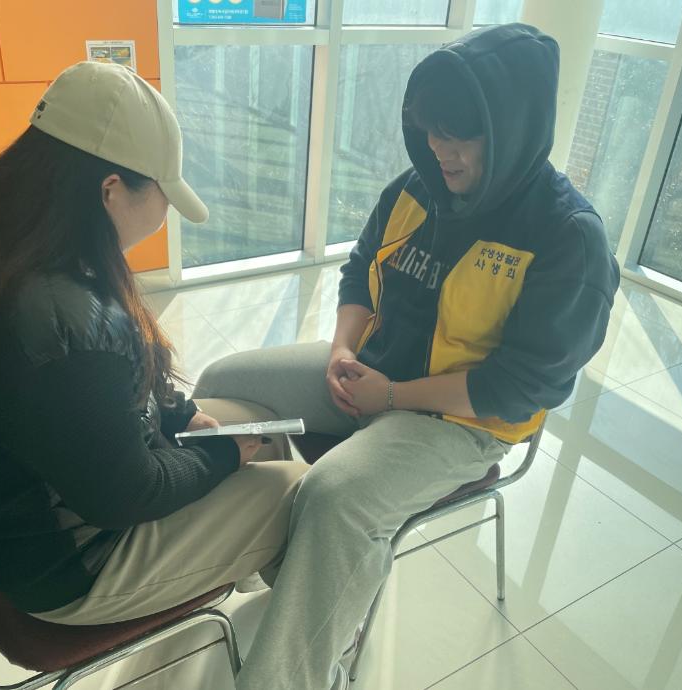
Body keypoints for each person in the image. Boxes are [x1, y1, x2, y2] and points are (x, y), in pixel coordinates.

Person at [193, 23, 621, 689]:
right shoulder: (417, 187)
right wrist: (342, 349)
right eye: (430, 133)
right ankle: (277, 558)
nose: (440, 151)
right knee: (224, 384)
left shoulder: (568, 238)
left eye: (459, 137)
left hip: (462, 420)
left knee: (337, 496)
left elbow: (519, 387)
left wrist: (391, 397)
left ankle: (294, 673)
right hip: (374, 371)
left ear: (512, 130)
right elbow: (361, 270)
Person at [0, 61, 307, 625]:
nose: (164, 214)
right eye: (162, 195)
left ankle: (264, 568)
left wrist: (181, 413)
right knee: (304, 491)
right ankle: (287, 629)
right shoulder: (54, 320)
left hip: (36, 514)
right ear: (111, 190)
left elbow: (104, 398)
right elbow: (127, 494)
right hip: (73, 566)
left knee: (257, 427)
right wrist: (221, 456)